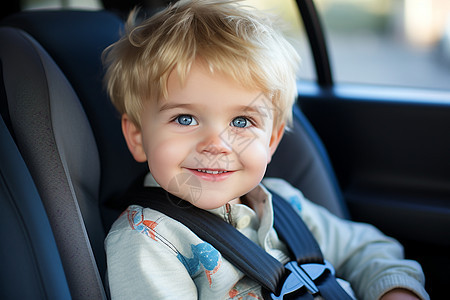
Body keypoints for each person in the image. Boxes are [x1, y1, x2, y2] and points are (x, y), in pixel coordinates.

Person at [102, 1, 429, 299]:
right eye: (185, 118)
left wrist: (395, 291)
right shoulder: (147, 240)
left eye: (242, 122)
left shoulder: (285, 203)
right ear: (137, 136)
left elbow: (366, 249)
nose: (217, 144)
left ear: (271, 141)